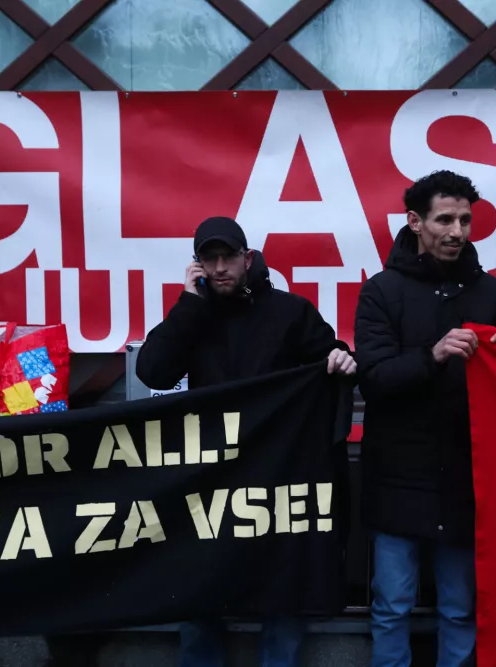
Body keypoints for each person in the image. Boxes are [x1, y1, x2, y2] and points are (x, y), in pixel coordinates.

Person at [135, 215, 356, 667]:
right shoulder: (194, 315)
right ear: (196, 265)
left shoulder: (290, 311)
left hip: (277, 477)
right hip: (211, 479)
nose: (219, 268)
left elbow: (332, 356)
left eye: (227, 257)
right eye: (208, 259)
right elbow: (153, 371)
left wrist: (343, 358)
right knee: (198, 587)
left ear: (247, 258)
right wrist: (187, 305)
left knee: (283, 589)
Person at [353, 170, 496, 667]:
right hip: (398, 475)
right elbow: (375, 377)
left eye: (466, 220)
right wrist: (434, 354)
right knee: (391, 606)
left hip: (466, 477)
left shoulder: (488, 292)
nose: (458, 231)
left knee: (461, 607)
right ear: (414, 222)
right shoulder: (381, 290)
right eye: (445, 219)